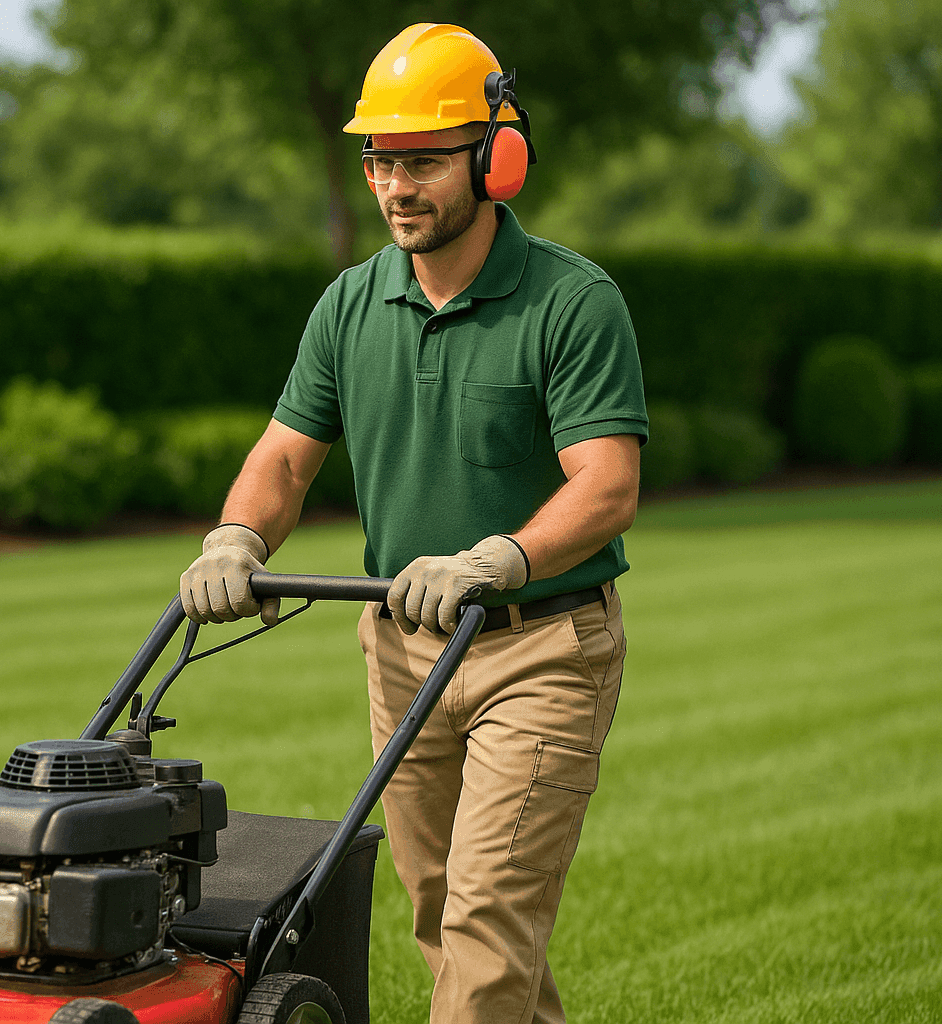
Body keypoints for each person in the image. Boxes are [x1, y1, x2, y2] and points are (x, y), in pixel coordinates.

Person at [179, 22, 647, 1024]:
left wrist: (499, 556)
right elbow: (284, 458)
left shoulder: (572, 301)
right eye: (380, 161)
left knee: (487, 914)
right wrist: (238, 538)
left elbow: (606, 486)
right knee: (442, 914)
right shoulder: (349, 306)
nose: (396, 186)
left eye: (425, 160)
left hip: (541, 649)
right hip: (401, 645)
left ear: (495, 157)